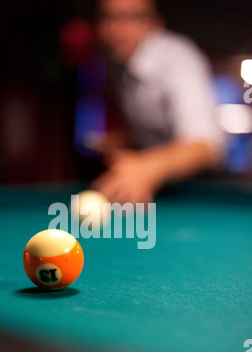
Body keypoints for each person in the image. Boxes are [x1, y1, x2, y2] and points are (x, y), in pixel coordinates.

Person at [90, 0, 225, 204]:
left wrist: (149, 167)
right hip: (155, 186)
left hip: (198, 188)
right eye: (109, 17)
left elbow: (207, 146)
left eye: (133, 17)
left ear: (155, 24)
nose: (116, 28)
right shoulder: (116, 61)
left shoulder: (179, 59)